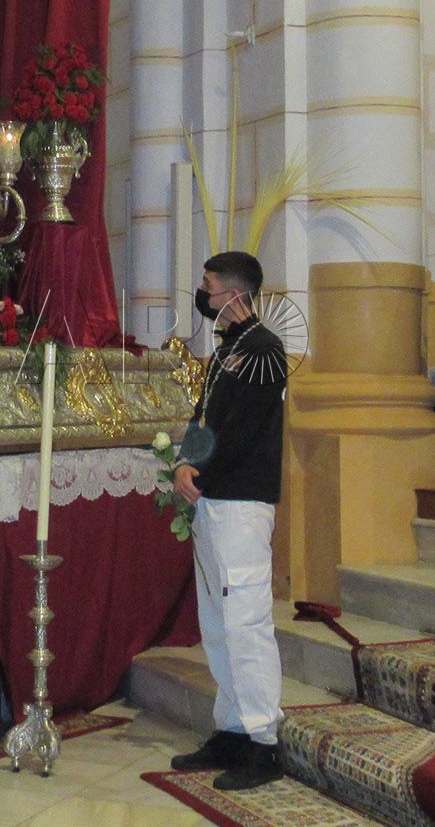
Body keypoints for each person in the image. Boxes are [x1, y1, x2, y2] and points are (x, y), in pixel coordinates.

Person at [169, 251, 287, 791]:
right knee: (216, 620)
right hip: (213, 500)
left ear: (234, 294)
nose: (203, 292)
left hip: (242, 501)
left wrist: (203, 467)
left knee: (246, 622)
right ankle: (232, 728)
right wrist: (182, 464)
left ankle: (264, 741)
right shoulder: (225, 353)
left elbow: (241, 431)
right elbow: (205, 419)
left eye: (208, 284)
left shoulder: (265, 349)